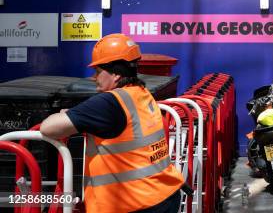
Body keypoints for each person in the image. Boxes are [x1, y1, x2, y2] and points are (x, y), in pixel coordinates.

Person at [40, 33, 185, 212]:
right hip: (163, 196)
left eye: (98, 71)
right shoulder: (140, 93)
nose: (94, 77)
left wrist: (69, 113)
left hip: (136, 204)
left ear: (115, 74)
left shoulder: (109, 103)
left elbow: (49, 128)